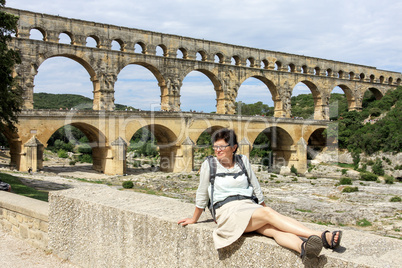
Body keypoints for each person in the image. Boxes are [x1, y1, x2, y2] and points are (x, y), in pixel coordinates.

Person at [178, 128, 342, 263]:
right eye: (215, 147)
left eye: (222, 146)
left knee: (273, 230)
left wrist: (262, 208)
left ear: (234, 147)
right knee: (269, 213)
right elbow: (201, 193)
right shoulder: (209, 164)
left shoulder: (243, 161)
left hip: (249, 209)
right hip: (227, 212)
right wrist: (194, 218)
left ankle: (303, 249)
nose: (218, 150)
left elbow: (256, 187)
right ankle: (321, 236)